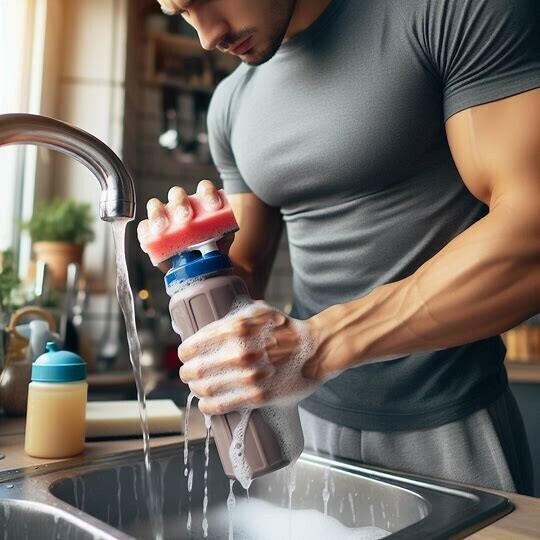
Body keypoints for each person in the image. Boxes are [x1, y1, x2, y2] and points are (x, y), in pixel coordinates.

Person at [139, 0, 540, 494]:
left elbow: (531, 229)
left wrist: (318, 345)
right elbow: (244, 279)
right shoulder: (231, 102)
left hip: (449, 423)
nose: (206, 35)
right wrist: (199, 263)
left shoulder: (452, 11)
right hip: (304, 432)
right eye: (181, 11)